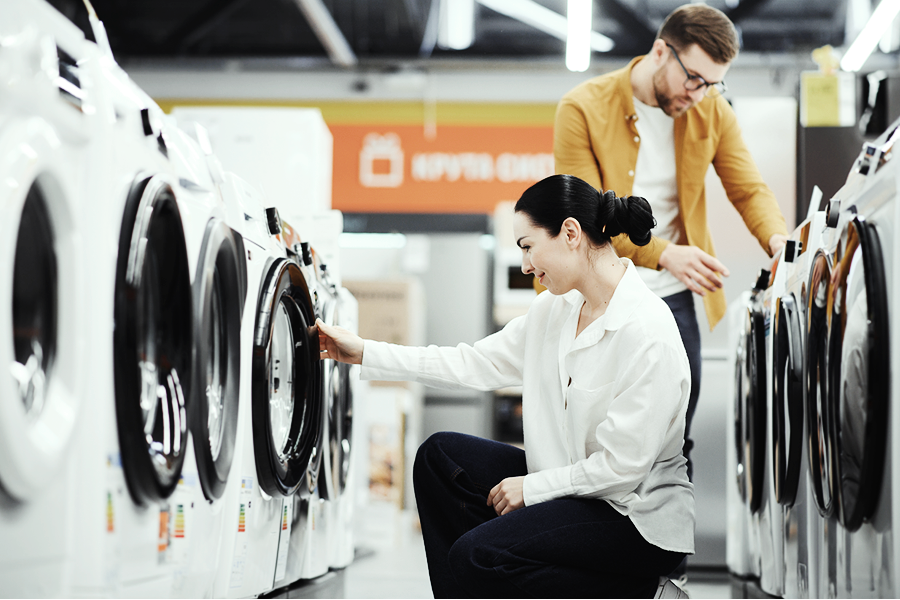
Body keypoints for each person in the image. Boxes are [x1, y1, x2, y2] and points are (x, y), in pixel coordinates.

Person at [317, 174, 693, 599]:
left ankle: (643, 592)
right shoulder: (554, 310)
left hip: (634, 518)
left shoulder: (647, 331)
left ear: (570, 233)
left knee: (476, 556)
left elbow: (620, 471)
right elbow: (472, 363)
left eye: (528, 247)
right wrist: (365, 351)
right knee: (439, 457)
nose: (526, 266)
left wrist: (530, 490)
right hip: (572, 490)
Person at [553, 3, 789, 482]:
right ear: (661, 51)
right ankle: (589, 548)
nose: (700, 95)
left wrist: (780, 241)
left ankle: (662, 555)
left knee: (672, 439)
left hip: (671, 302)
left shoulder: (711, 112)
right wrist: (665, 254)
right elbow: (585, 216)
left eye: (713, 84)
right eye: (695, 79)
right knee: (589, 435)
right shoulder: (583, 107)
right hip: (594, 297)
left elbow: (748, 189)